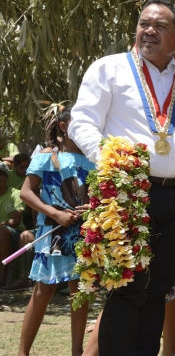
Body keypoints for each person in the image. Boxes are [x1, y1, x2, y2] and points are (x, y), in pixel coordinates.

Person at [69, 0, 175, 355]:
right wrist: (114, 165)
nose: (149, 31)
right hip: (129, 194)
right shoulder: (109, 68)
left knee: (158, 290)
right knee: (127, 288)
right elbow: (81, 122)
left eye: (160, 26)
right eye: (144, 23)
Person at [17, 105, 93, 356]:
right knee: (44, 290)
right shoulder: (47, 155)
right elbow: (26, 193)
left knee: (79, 290)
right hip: (53, 231)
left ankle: (77, 351)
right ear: (63, 127)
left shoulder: (94, 157)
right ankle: (22, 353)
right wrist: (55, 213)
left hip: (82, 233)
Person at [0, 161, 25, 287]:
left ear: (6, 177)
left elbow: (15, 222)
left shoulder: (16, 194)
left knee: (2, 231)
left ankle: (2, 277)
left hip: (15, 233)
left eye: (1, 174)